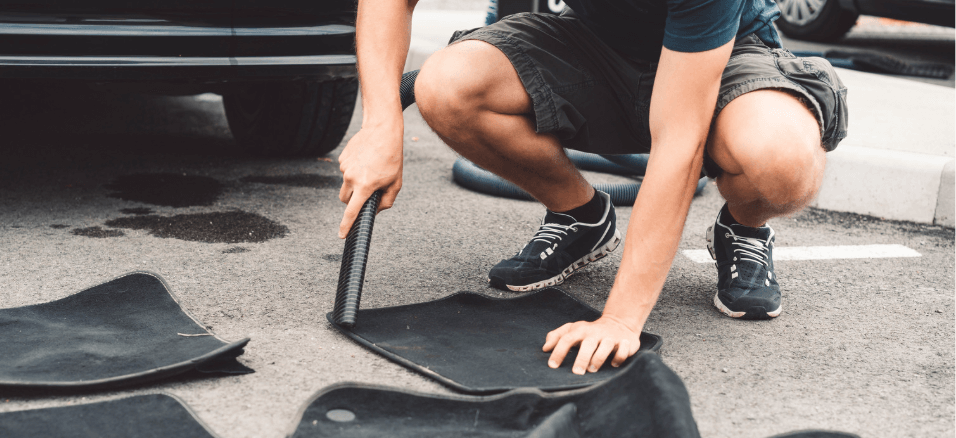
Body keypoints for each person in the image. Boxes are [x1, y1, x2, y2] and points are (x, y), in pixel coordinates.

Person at [337, 0, 847, 375]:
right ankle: (579, 215)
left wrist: (621, 320)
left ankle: (744, 226)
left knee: (781, 161)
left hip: (727, 54)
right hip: (591, 44)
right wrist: (381, 124)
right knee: (445, 86)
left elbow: (678, 143)